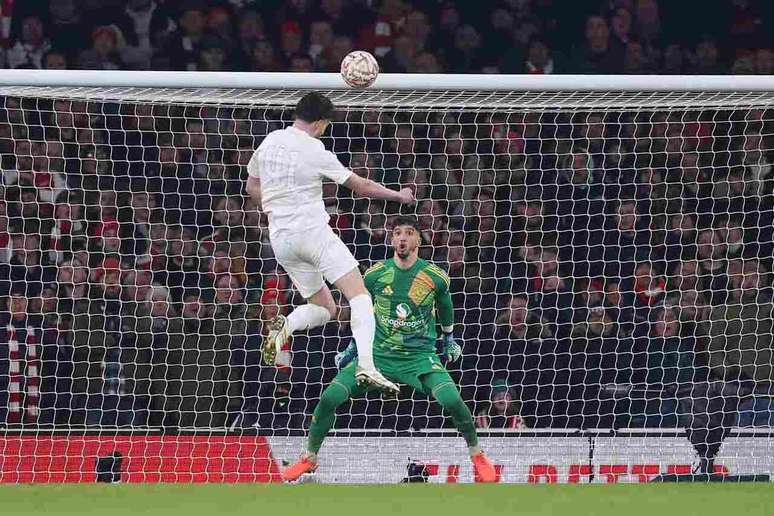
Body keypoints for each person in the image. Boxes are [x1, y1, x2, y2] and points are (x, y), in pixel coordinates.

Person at [280, 215, 497, 483]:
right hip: (378, 357)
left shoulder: (435, 277)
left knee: (452, 401)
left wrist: (449, 338)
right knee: (329, 398)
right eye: (397, 233)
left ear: (419, 239)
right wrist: (352, 347)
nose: (402, 238)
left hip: (419, 358)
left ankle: (477, 454)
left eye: (408, 233)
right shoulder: (374, 275)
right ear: (391, 239)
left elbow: (445, 307)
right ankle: (309, 458)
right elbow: (361, 312)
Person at [245, 92, 415, 395]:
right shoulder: (316, 149)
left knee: (325, 308)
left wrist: (279, 205)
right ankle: (367, 366)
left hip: (281, 239)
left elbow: (251, 186)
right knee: (360, 296)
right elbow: (360, 186)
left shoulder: (269, 140)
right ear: (321, 123)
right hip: (312, 233)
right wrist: (398, 195)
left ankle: (285, 326)